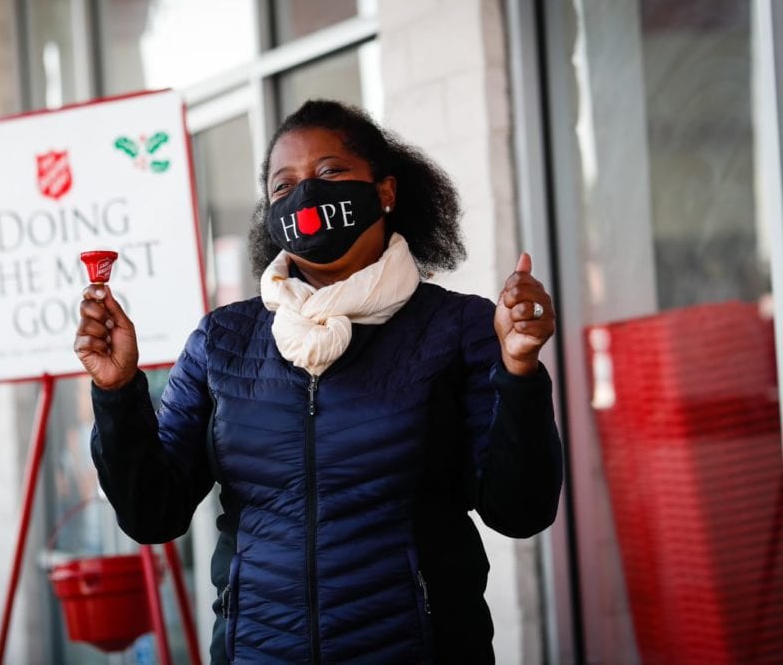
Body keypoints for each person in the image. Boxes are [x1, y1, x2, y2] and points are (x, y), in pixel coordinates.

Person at [75, 100, 563, 664]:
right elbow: (150, 514)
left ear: (385, 191)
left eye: (331, 173)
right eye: (284, 185)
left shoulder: (458, 329)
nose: (306, 195)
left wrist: (520, 374)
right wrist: (117, 392)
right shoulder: (222, 340)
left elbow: (521, 510)